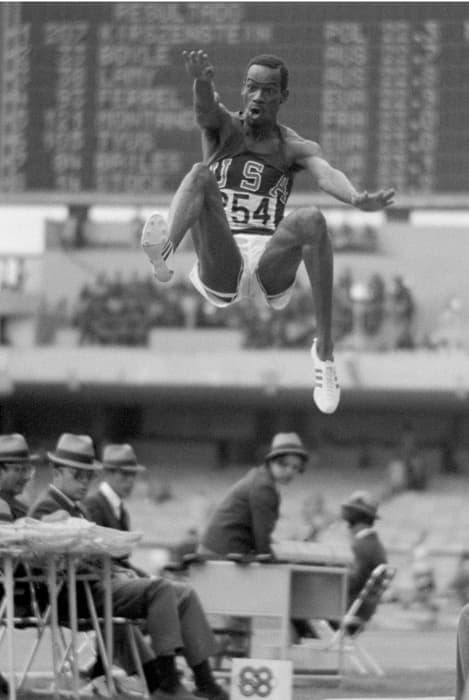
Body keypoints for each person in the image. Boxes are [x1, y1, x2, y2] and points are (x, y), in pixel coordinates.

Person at [141, 50, 395, 414]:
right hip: (222, 258)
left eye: (268, 90)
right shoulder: (223, 128)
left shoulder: (292, 146)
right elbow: (203, 111)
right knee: (200, 174)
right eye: (252, 88)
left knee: (312, 219)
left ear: (283, 97)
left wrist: (355, 197)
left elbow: (326, 174)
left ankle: (324, 352)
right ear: (243, 91)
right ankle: (163, 254)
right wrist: (201, 82)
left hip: (268, 264)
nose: (258, 96)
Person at [28, 433, 227, 700]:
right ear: (56, 472)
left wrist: (110, 569)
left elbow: (90, 556)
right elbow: (51, 564)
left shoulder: (76, 508)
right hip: (73, 595)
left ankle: (192, 680)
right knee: (159, 590)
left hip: (89, 587)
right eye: (78, 475)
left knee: (168, 590)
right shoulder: (48, 508)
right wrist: (109, 570)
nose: (85, 483)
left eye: (89, 476)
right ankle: (167, 682)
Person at [199, 432, 308, 558]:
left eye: (295, 467)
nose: (289, 471)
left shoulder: (261, 478)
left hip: (221, 551)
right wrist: (270, 558)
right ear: (271, 461)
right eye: (283, 464)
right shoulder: (263, 487)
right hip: (219, 555)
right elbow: (261, 537)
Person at [0, 433, 38, 696]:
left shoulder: (22, 510)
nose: (26, 476)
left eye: (28, 469)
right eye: (19, 469)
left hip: (19, 590)